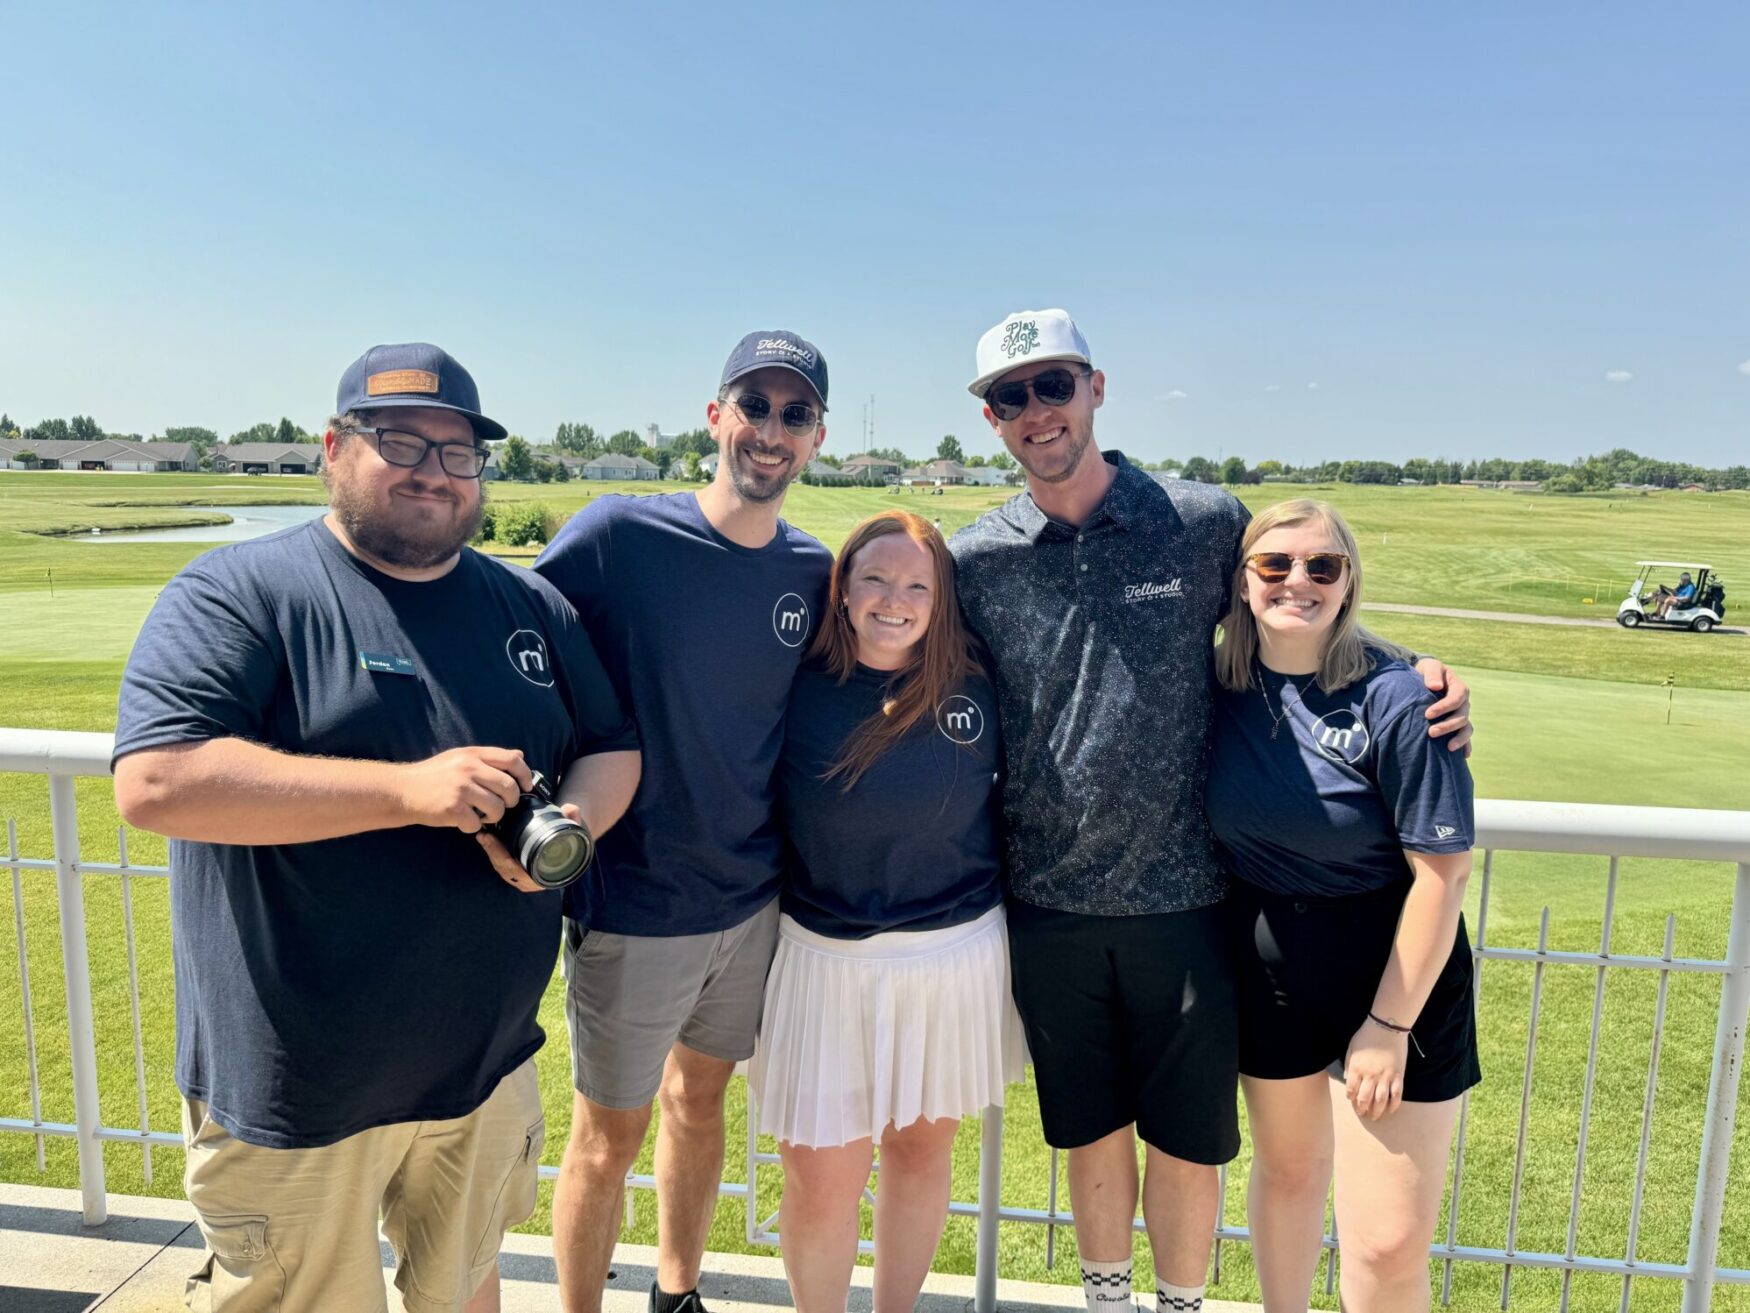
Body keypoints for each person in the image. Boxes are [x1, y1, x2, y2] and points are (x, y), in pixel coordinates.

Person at [948, 310, 1473, 1313]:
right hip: (1046, 901)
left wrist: (1416, 675)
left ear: (1096, 388)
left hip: (1192, 903)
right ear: (990, 417)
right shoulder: (977, 558)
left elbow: (1300, 585)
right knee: (1091, 1134)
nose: (1034, 411)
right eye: (1009, 396)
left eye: (1052, 384)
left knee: (1195, 1143)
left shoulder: (1196, 520)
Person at [111, 343, 643, 1313]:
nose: (432, 470)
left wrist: (574, 828)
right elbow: (158, 779)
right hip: (296, 1080)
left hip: (482, 1068)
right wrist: (407, 791)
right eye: (401, 439)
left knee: (466, 1287)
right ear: (333, 447)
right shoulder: (244, 592)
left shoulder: (527, 604)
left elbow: (613, 743)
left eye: (458, 451)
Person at [533, 332, 833, 1313]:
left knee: (699, 1102)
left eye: (794, 413)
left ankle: (676, 1292)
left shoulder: (809, 570)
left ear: (816, 436)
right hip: (634, 904)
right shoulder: (620, 535)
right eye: (755, 404)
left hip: (751, 904)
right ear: (716, 416)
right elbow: (517, 638)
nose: (771, 429)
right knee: (604, 1139)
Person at [1206, 499, 1478, 1313]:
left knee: (1385, 1241)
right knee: (1288, 1176)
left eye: (1323, 566)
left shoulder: (1401, 698)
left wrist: (1389, 1027)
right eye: (1276, 564)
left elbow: (1444, 872)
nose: (1299, 580)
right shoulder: (1215, 681)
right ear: (1243, 580)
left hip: (1397, 967)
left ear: (1348, 581)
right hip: (1270, 957)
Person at [751, 510, 1025, 1313]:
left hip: (953, 957)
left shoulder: (980, 683)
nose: (893, 599)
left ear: (943, 598)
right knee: (820, 1174)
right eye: (873, 577)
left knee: (918, 1153)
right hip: (824, 958)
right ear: (841, 588)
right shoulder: (794, 686)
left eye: (917, 583)